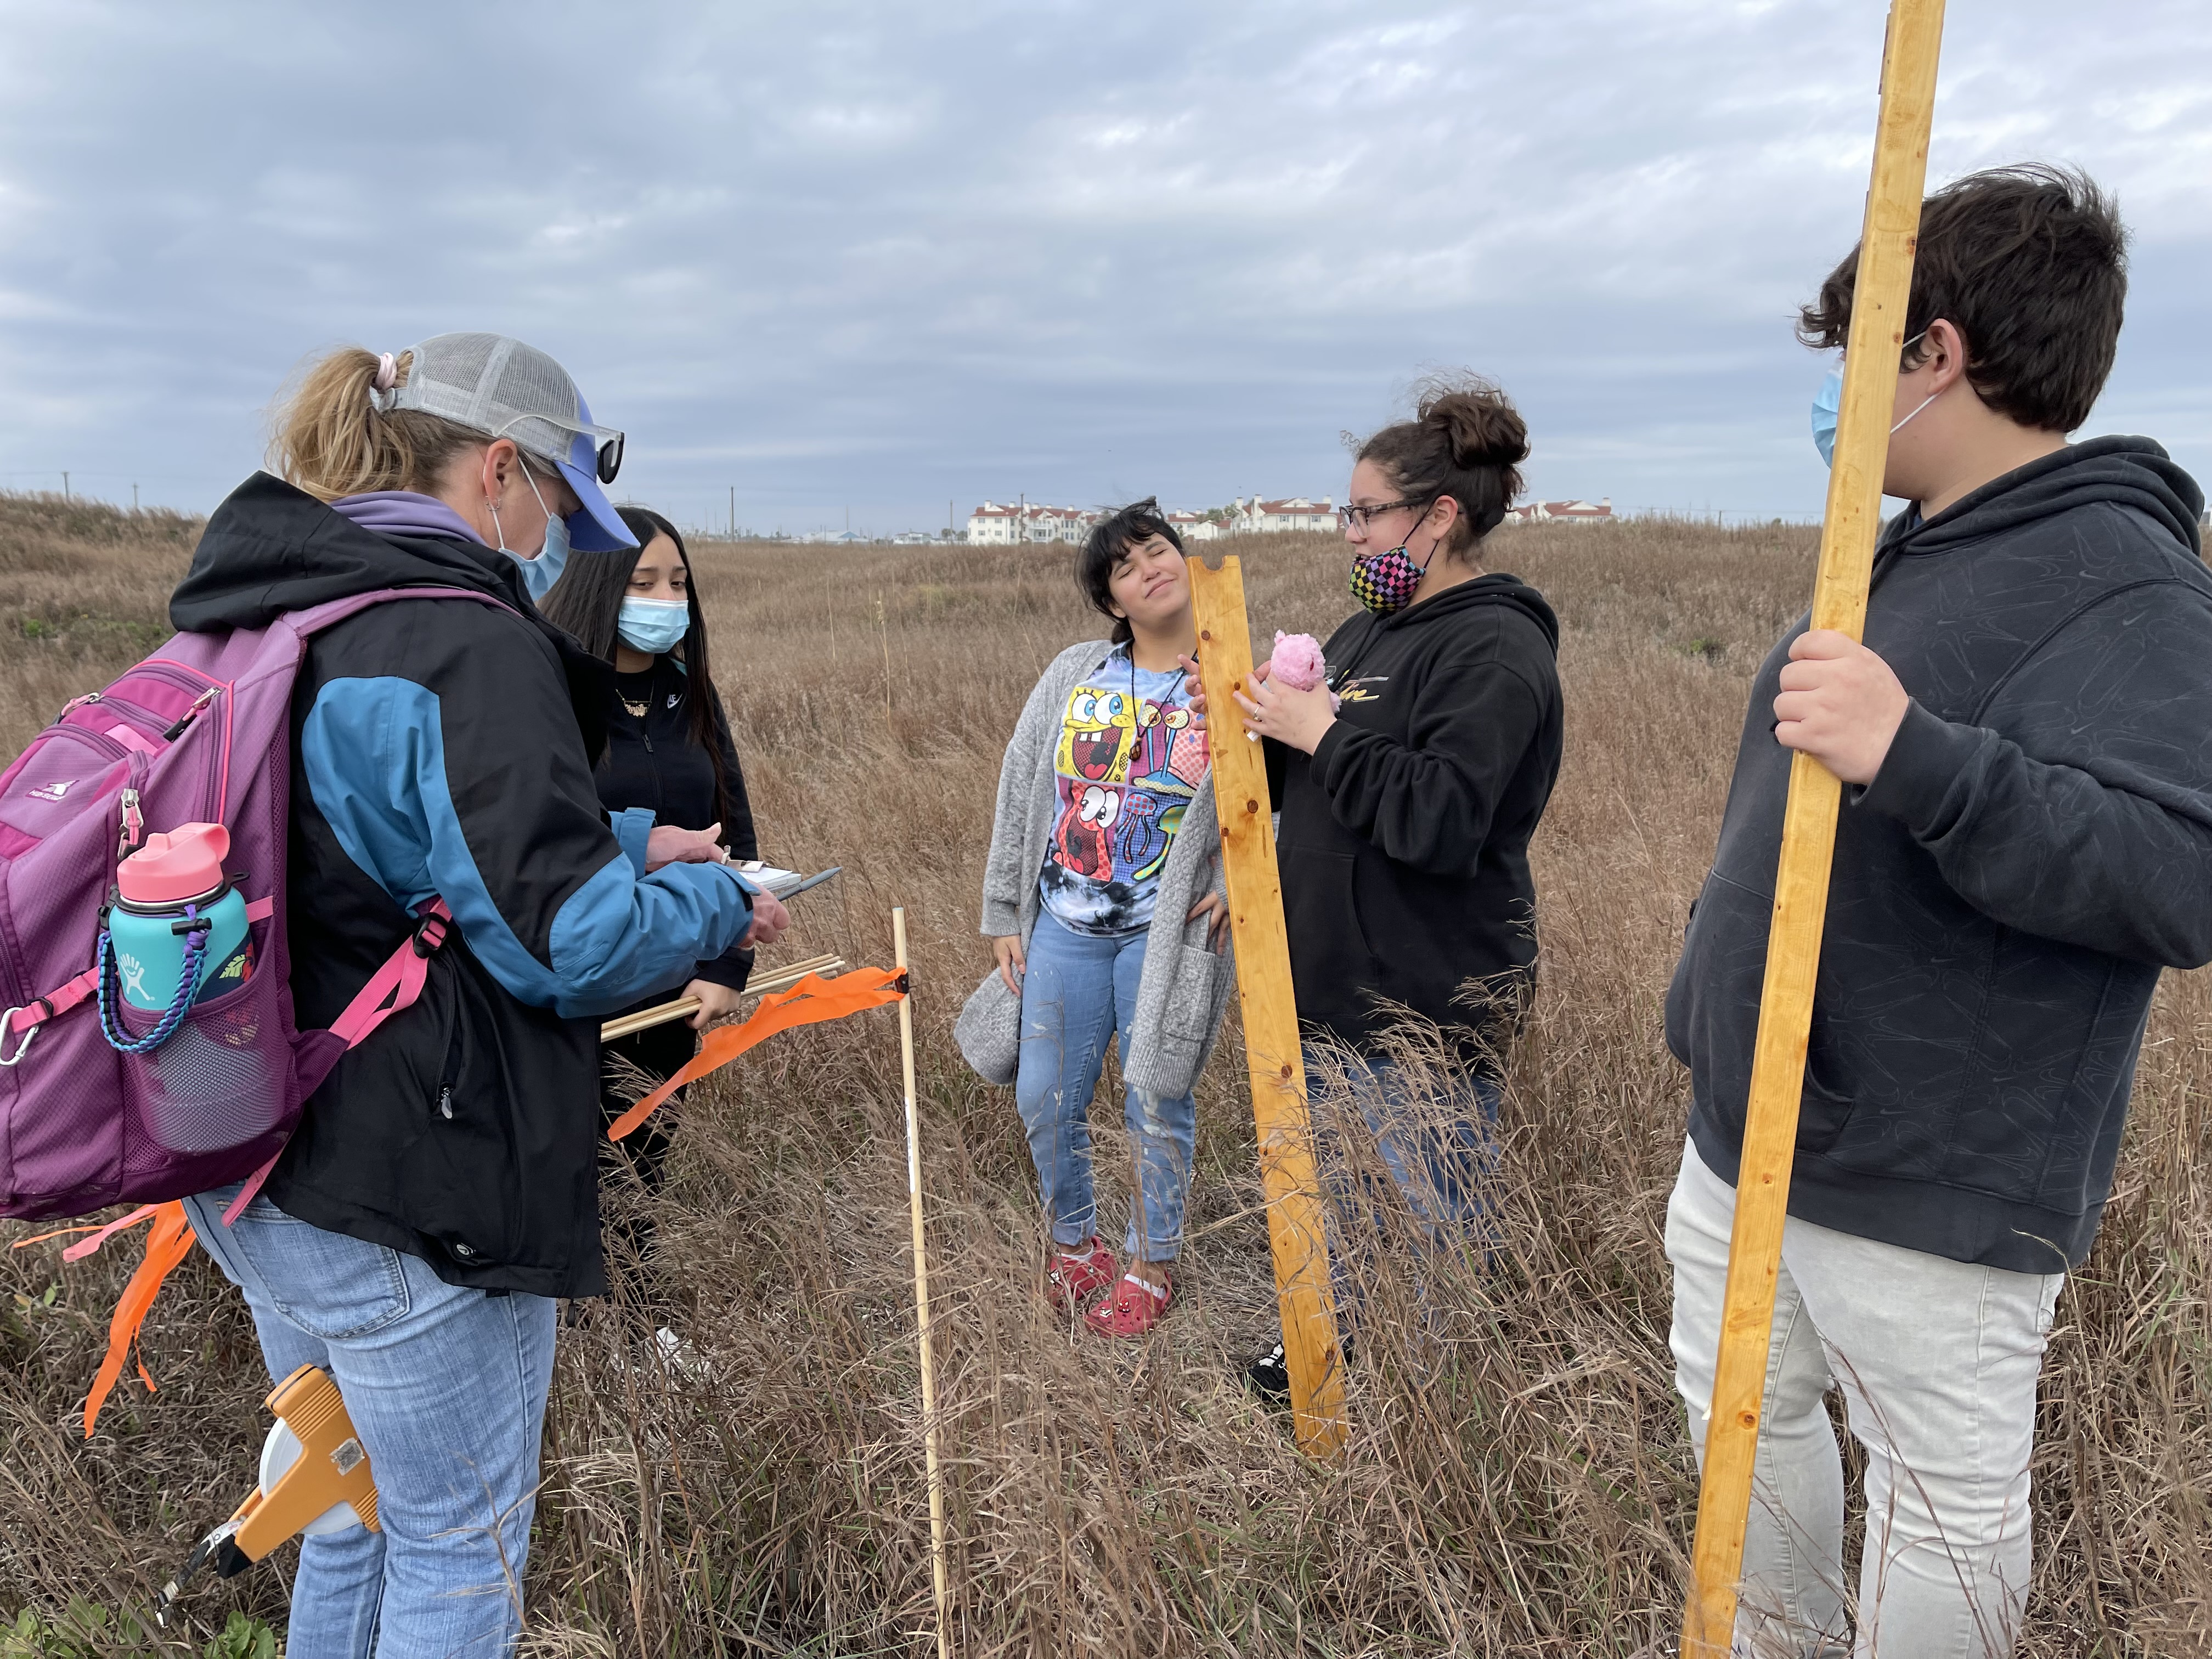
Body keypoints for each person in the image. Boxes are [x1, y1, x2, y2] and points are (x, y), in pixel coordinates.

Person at [166, 334, 790, 1658]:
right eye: (563, 509)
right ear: (501, 471)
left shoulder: (270, 607)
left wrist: (624, 842)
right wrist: (717, 905)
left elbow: (362, 847)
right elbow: (569, 950)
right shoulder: (463, 636)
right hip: (408, 1188)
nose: (570, 547)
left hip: (251, 1157)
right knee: (459, 1548)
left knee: (345, 1512)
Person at [1664, 166, 2212, 1656]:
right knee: (1740, 1414)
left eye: (1858, 357)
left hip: (1932, 1172)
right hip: (1760, 1126)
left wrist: (1921, 760)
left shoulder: (2127, 580)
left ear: (1938, 354)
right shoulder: (1897, 555)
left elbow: (2178, 872)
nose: (1838, 401)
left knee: (1940, 1505)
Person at [1207, 377, 1564, 1402]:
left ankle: (1433, 1414)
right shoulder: (1365, 633)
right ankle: (1323, 1352)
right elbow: (1318, 779)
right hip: (1328, 988)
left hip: (1425, 999)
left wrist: (1321, 731)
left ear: (1440, 516)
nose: (1349, 535)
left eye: (1365, 513)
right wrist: (1253, 739)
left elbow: (1443, 817)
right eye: (1348, 513)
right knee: (1335, 1206)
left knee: (1426, 1229)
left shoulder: (1496, 646)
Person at [961, 499, 1234, 1337]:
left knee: (1156, 1093)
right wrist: (1005, 908)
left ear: (1185, 561)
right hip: (1065, 926)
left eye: (1159, 549)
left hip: (1167, 932)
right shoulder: (1077, 672)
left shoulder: (1233, 672)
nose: (1149, 566)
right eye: (1124, 565)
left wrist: (1251, 877)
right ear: (1112, 600)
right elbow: (1021, 787)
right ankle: (1075, 1243)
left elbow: (1288, 782)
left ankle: (1152, 1262)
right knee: (1045, 1096)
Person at [540, 505, 758, 1317]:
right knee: (564, 1158)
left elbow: (733, 833)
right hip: (573, 976)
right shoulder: (552, 695)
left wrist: (726, 963)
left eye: (678, 583)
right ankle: (560, 1320)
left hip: (671, 984)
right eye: (643, 582)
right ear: (601, 587)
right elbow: (532, 838)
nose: (667, 598)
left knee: (643, 1155)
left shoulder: (686, 693)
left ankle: (638, 1320)